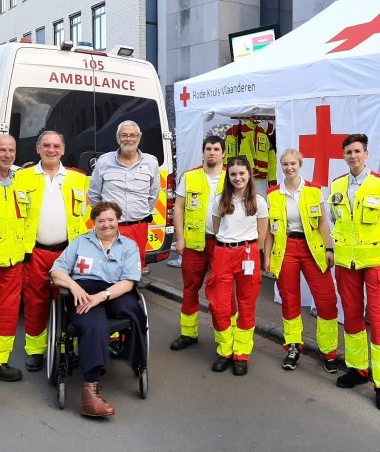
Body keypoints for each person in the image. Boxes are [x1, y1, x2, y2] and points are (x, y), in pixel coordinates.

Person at [50, 201, 146, 417]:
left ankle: (135, 356)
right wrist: (74, 286)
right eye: (101, 220)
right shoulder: (80, 242)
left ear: (118, 220)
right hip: (84, 289)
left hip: (115, 291)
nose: (106, 224)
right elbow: (56, 271)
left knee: (134, 311)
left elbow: (129, 281)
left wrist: (101, 297)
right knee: (95, 324)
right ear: (93, 222)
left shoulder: (129, 246)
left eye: (111, 219)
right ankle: (90, 393)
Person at [328, 134, 380, 411]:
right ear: (344, 156)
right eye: (348, 152)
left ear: (366, 154)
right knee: (351, 315)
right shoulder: (337, 184)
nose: (353, 156)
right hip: (347, 262)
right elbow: (334, 220)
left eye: (357, 151)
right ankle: (358, 369)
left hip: (377, 262)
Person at [17, 131, 88, 373]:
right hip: (35, 252)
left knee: (71, 301)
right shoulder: (22, 177)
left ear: (63, 149)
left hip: (68, 252)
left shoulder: (79, 178)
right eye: (46, 145)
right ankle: (35, 350)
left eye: (56, 146)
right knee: (35, 301)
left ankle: (71, 347)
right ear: (38, 149)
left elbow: (87, 216)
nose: (51, 149)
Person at [264, 149, 339, 372]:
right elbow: (269, 231)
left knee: (326, 300)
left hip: (312, 248)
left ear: (300, 164)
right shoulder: (272, 194)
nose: (289, 168)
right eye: (285, 164)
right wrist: (267, 257)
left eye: (293, 164)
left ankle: (329, 352)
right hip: (286, 249)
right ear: (281, 166)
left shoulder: (314, 190)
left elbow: (323, 222)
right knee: (289, 300)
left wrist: (329, 248)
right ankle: (293, 347)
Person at [169, 135, 236, 351]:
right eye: (208, 149)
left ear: (224, 153)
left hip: (223, 244)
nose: (212, 152)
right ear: (203, 152)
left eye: (216, 149)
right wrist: (180, 238)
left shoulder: (232, 177)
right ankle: (188, 333)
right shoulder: (190, 177)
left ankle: (229, 337)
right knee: (190, 288)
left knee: (223, 292)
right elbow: (179, 208)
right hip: (194, 243)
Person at [205, 156, 268, 376]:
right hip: (223, 253)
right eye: (233, 174)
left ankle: (241, 352)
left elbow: (262, 233)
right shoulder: (219, 200)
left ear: (249, 174)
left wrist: (249, 250)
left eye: (242, 173)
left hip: (248, 253)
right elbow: (216, 229)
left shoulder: (259, 202)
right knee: (219, 304)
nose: (238, 178)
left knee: (247, 304)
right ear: (228, 176)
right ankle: (225, 350)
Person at [89, 120, 160, 271]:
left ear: (139, 138)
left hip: (138, 227)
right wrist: (105, 218)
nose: (128, 139)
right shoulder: (104, 162)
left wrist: (140, 213)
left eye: (132, 135)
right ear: (118, 138)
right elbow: (94, 195)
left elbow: (153, 194)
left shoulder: (151, 163)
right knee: (108, 267)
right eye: (124, 135)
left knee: (135, 267)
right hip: (110, 228)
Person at [0, 135, 28, 382]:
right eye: (2, 150)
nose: (7, 155)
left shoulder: (21, 181)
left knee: (8, 313)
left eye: (11, 150)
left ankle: (1, 361)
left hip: (13, 261)